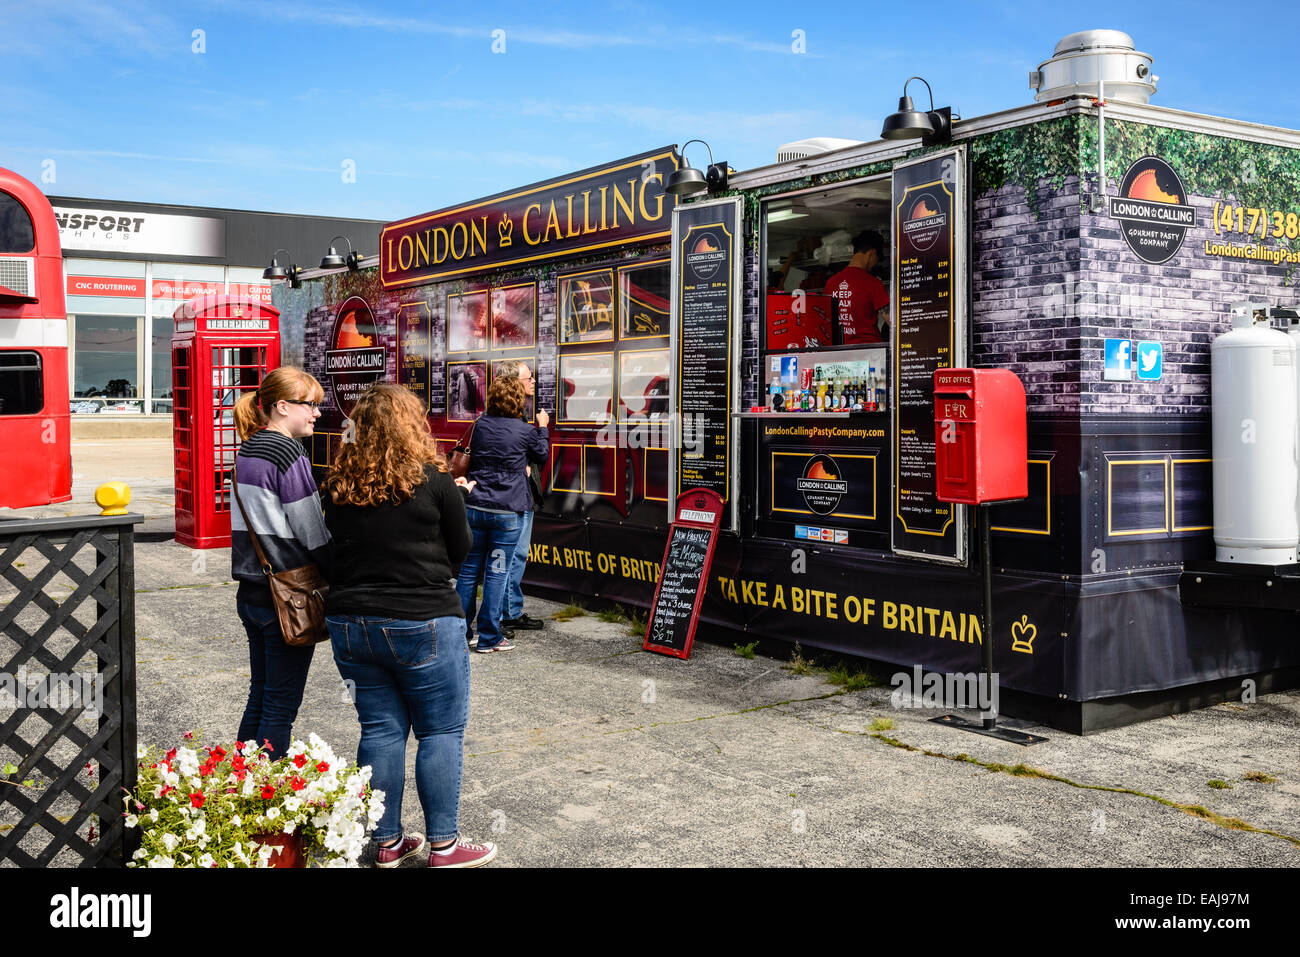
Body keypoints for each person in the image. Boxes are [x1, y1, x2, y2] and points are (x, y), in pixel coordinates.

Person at [320, 382, 497, 868]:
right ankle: (444, 845)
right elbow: (460, 551)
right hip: (424, 621)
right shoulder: (435, 481)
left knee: (379, 730)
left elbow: (327, 551)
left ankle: (388, 842)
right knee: (440, 731)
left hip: (350, 624)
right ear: (410, 425)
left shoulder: (337, 485)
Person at [230, 366, 331, 759]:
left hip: (252, 592)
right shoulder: (288, 453)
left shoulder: (248, 448)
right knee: (280, 706)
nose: (316, 414)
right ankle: (266, 792)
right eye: (311, 406)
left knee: (260, 692)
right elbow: (312, 532)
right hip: (287, 596)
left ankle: (240, 783)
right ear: (283, 406)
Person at [456, 376, 549, 653]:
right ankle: (489, 638)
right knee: (497, 573)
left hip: (475, 507)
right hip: (506, 513)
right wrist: (543, 428)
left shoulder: (480, 425)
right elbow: (541, 455)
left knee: (469, 571)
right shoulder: (525, 430)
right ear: (518, 401)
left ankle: (461, 634)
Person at [498, 362, 547, 633]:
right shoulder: (510, 419)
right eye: (529, 378)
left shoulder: (511, 415)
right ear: (513, 383)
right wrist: (542, 429)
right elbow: (539, 453)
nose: (533, 382)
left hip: (520, 494)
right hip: (513, 496)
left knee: (518, 555)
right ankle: (505, 614)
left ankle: (511, 610)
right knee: (512, 555)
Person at [825, 229, 890, 344]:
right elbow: (892, 321)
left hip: (839, 352)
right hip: (870, 352)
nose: (875, 264)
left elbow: (825, 320)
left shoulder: (831, 283)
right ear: (872, 253)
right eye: (877, 259)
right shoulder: (872, 283)